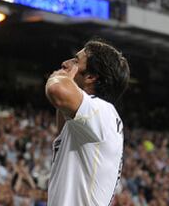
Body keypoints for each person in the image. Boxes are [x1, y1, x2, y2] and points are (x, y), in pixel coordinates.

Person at [45, 40, 130, 206]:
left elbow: (57, 90)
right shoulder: (93, 120)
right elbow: (63, 107)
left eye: (76, 61)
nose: (65, 63)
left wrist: (59, 77)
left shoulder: (103, 111)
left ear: (90, 77)